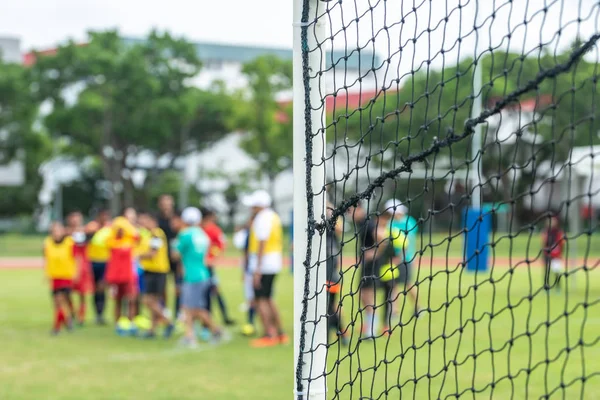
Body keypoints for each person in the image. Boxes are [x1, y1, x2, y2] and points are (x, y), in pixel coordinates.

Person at [173, 207, 225, 348]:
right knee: (191, 307)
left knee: (192, 308)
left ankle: (212, 331)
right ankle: (190, 335)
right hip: (203, 273)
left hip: (191, 275)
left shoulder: (185, 235)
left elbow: (176, 254)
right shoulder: (202, 234)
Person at [243, 190, 287, 347]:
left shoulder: (262, 218)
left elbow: (262, 242)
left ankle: (269, 334)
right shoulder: (273, 216)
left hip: (264, 264)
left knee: (261, 299)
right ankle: (280, 332)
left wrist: (257, 269)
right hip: (273, 262)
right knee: (268, 298)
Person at [382, 199, 422, 330]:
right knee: (393, 285)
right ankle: (394, 312)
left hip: (406, 259)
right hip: (392, 259)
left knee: (408, 284)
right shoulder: (389, 223)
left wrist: (399, 257)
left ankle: (418, 307)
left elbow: (406, 241)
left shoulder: (409, 222)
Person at [137, 212, 175, 338]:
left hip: (157, 271)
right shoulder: (149, 235)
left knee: (148, 300)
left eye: (145, 220)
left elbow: (153, 253)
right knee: (153, 301)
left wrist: (138, 255)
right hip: (151, 271)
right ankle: (152, 330)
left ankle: (168, 322)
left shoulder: (156, 234)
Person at [105, 207, 140, 335]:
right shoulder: (111, 240)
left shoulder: (131, 239)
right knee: (118, 301)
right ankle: (118, 324)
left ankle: (131, 323)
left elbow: (137, 236)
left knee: (131, 299)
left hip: (129, 274)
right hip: (116, 275)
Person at [352, 201, 382, 338]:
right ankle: (369, 325)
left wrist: (374, 252)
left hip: (372, 265)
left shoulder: (368, 223)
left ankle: (372, 330)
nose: (350, 214)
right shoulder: (361, 223)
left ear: (359, 209)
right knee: (363, 296)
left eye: (352, 210)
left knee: (368, 295)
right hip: (366, 264)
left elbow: (382, 238)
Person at [200, 207, 234, 326]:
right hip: (199, 266)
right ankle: (209, 318)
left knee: (213, 290)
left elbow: (222, 245)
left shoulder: (214, 230)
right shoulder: (199, 229)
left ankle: (223, 316)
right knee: (207, 291)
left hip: (208, 266)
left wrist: (213, 258)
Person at [44, 222, 76, 335]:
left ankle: (68, 319)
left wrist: (76, 273)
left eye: (58, 230)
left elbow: (75, 258)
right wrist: (46, 274)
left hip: (66, 276)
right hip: (55, 276)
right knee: (57, 302)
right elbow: (47, 259)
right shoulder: (48, 243)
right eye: (54, 231)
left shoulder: (69, 243)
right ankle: (59, 325)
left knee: (65, 300)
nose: (56, 233)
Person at [325, 201, 348, 345]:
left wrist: (330, 213)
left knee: (330, 305)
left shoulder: (332, 219)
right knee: (328, 306)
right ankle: (341, 334)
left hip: (331, 268)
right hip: (322, 266)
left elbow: (340, 229)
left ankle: (337, 335)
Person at [65, 211, 92, 325]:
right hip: (68, 265)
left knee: (82, 293)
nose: (75, 221)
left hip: (81, 265)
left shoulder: (83, 232)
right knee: (66, 292)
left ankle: (81, 316)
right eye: (73, 218)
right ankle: (72, 312)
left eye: (77, 218)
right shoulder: (66, 233)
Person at [85, 209, 112, 325]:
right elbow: (86, 240)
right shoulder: (92, 227)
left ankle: (101, 313)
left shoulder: (110, 229)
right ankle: (97, 314)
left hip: (105, 261)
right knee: (95, 288)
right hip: (93, 261)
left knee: (102, 287)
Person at [157, 195, 181, 318]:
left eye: (168, 203)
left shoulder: (176, 218)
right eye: (164, 203)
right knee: (162, 287)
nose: (166, 205)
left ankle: (178, 312)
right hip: (162, 257)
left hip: (176, 257)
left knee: (178, 286)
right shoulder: (158, 220)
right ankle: (164, 311)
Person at [233, 215, 257, 336]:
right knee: (256, 298)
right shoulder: (250, 234)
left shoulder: (252, 234)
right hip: (255, 270)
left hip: (254, 270)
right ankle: (252, 323)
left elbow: (246, 253)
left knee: (254, 299)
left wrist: (245, 270)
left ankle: (251, 323)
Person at [541, 214, 565, 291]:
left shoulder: (559, 232)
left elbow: (562, 243)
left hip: (556, 255)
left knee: (556, 271)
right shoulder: (545, 232)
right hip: (547, 255)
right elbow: (543, 243)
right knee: (546, 272)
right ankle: (546, 287)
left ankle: (558, 287)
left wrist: (560, 253)